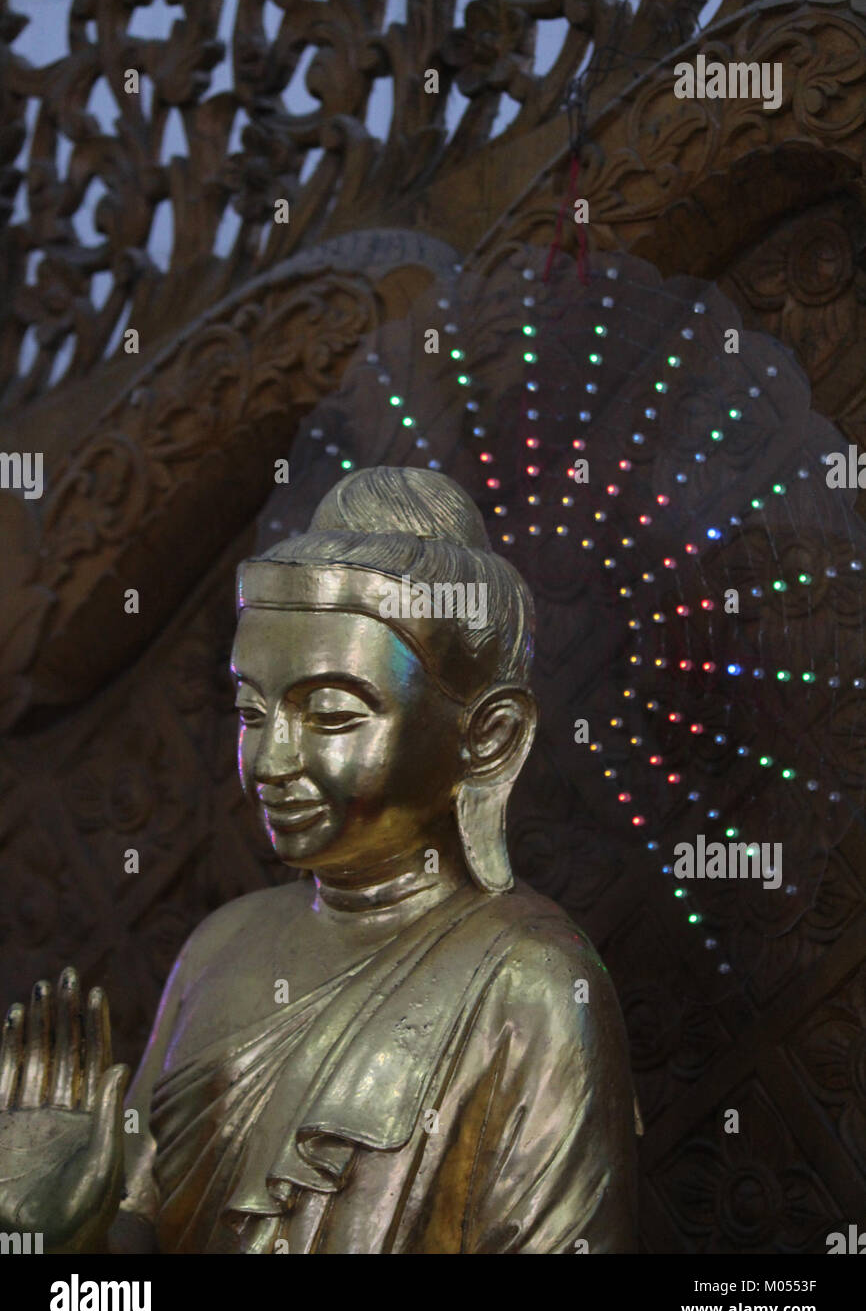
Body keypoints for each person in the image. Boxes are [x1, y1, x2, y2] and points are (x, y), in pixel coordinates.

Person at [0, 466, 638, 1253]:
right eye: (251, 711)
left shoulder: (529, 982)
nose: (270, 761)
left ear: (488, 736)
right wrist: (57, 1237)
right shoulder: (221, 944)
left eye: (332, 714)